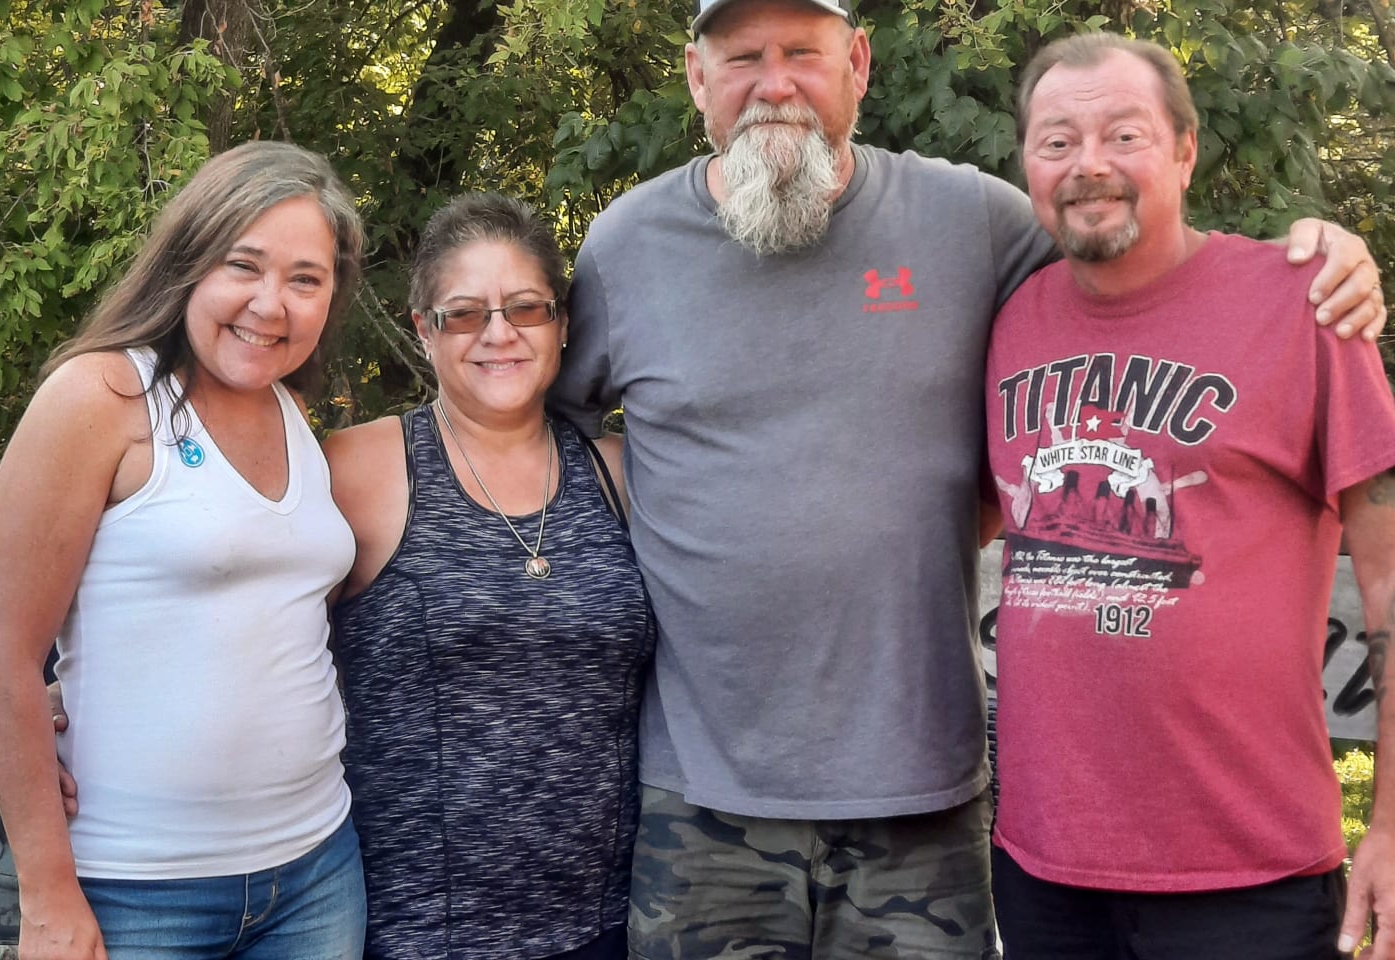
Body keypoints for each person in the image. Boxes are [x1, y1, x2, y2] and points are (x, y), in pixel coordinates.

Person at [546, 0, 1389, 956]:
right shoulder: (624, 248)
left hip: (927, 795)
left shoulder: (970, 221)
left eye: (802, 53)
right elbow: (544, 449)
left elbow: (1137, 259)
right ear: (696, 77)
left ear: (859, 63)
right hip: (703, 798)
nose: (773, 83)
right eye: (741, 56)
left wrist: (1321, 253)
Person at [985, 32, 1395, 960]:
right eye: (1056, 142)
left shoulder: (1306, 304)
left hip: (1246, 875)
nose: (1089, 165)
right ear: (1027, 165)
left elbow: (1388, 578)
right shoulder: (1012, 320)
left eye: (1123, 135)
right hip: (1044, 871)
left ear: (1184, 148)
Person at [0, 141, 367, 960]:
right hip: (133, 889)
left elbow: (264, 615)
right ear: (187, 262)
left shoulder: (295, 414)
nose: (271, 304)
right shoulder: (102, 396)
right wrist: (47, 896)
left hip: (318, 867)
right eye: (243, 265)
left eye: (305, 279)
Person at [322, 193, 654, 960]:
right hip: (416, 931)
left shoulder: (621, 474)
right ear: (424, 331)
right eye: (464, 313)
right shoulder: (362, 468)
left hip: (606, 923)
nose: (498, 333)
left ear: (562, 324)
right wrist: (74, 691)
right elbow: (239, 613)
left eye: (525, 309)